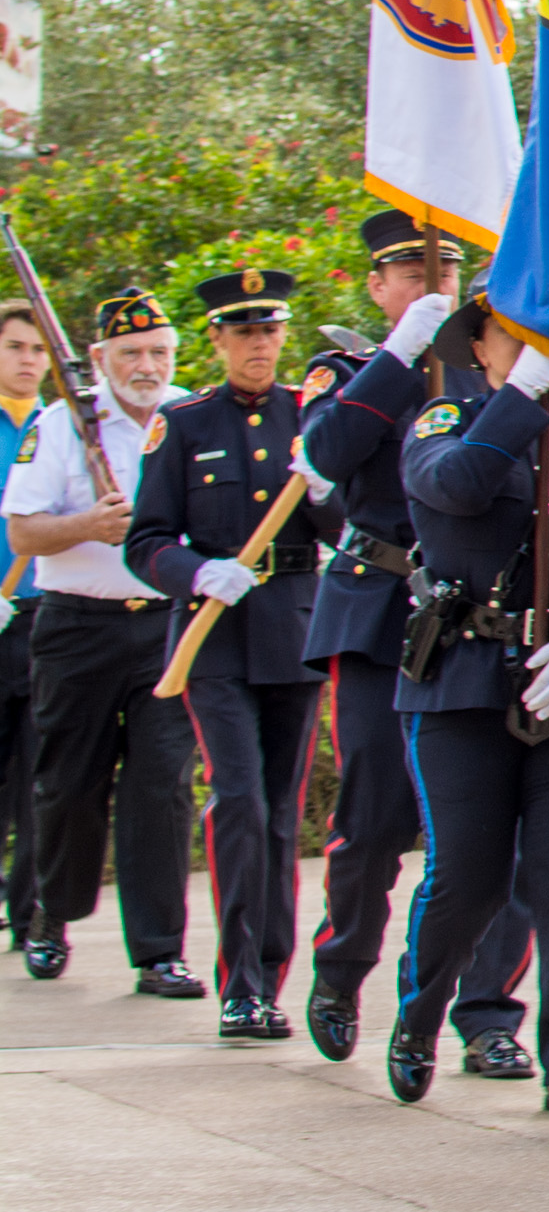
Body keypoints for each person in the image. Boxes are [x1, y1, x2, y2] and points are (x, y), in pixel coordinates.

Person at [299, 213, 537, 1073]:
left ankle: (483, 1012)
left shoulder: (489, 373)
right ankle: (342, 965)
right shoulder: (356, 371)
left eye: (444, 268)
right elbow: (326, 456)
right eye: (409, 273)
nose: (428, 285)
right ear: (378, 285)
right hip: (381, 615)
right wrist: (396, 356)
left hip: (482, 616)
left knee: (493, 830)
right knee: (375, 818)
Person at [381, 307, 549, 1104]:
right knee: (469, 877)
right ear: (478, 347)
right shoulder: (446, 423)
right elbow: (459, 485)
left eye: (548, 339)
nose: (538, 351)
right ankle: (420, 1013)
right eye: (514, 334)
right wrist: (522, 395)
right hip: (465, 687)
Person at [126, 269, 331, 1041]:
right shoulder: (183, 425)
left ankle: (270, 976)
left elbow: (344, 524)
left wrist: (320, 488)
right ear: (216, 340)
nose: (260, 345)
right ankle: (239, 982)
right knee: (239, 800)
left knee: (280, 811)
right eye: (245, 332)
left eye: (271, 331)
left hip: (292, 631)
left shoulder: (309, 419)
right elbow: (144, 541)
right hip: (212, 635)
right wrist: (197, 571)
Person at [9, 292, 191, 992]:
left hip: (166, 623)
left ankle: (158, 949)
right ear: (98, 359)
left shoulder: (187, 415)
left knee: (162, 785)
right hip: (77, 624)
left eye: (159, 352)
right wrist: (88, 523)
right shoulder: (62, 423)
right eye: (130, 354)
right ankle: (51, 916)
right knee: (68, 783)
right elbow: (24, 531)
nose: (146, 366)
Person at [0, 301, 48, 957]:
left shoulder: (66, 425)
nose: (28, 359)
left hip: (45, 612)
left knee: (43, 771)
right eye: (15, 346)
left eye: (36, 348)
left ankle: (31, 911)